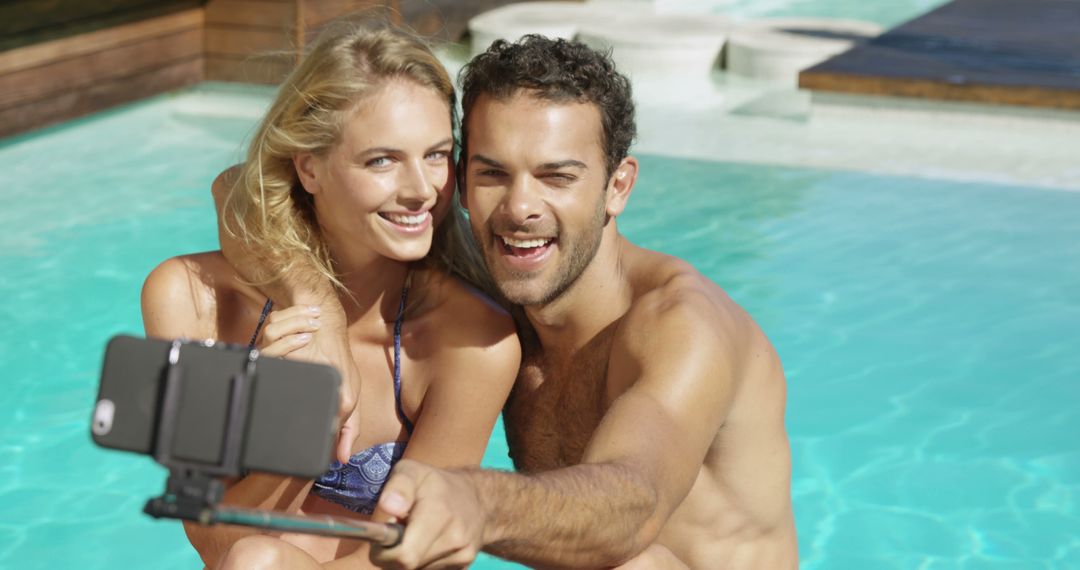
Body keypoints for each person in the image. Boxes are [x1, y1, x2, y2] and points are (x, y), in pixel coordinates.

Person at [359, 36, 798, 569]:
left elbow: (634, 504)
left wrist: (477, 500)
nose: (519, 208)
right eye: (493, 173)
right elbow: (261, 186)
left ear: (618, 187)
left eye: (557, 177)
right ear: (461, 180)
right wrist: (307, 300)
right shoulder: (490, 301)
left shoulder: (680, 325)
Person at [140, 22, 520, 569]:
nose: (421, 189)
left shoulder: (470, 340)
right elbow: (208, 537)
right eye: (382, 160)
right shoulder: (191, 300)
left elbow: (416, 553)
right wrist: (295, 424)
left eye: (436, 155)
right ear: (309, 166)